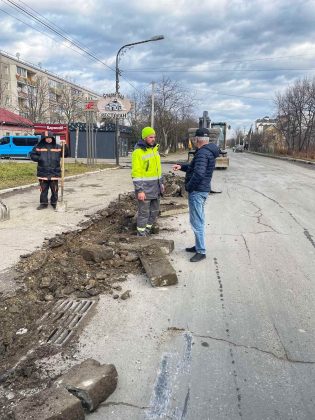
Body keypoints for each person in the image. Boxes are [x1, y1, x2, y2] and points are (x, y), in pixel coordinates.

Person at [172, 127, 220, 262]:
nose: (193, 141)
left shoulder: (202, 153)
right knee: (198, 219)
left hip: (197, 191)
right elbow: (194, 168)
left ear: (197, 139)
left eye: (194, 139)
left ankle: (201, 251)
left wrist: (189, 187)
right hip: (202, 190)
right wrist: (181, 166)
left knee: (197, 221)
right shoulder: (206, 152)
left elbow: (198, 173)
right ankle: (198, 245)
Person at [131, 126, 164, 236]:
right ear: (144, 137)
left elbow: (158, 170)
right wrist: (139, 190)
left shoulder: (155, 150)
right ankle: (141, 235)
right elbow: (136, 174)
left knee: (154, 212)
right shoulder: (138, 152)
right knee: (144, 213)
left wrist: (161, 184)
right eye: (151, 137)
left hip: (156, 188)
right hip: (144, 189)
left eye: (154, 137)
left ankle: (147, 230)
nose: (153, 139)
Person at [30, 131, 68, 210]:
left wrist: (65, 146)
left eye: (49, 138)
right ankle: (43, 203)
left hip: (54, 172)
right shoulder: (38, 147)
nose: (48, 140)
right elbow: (32, 155)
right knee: (43, 189)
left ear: (52, 138)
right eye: (46, 138)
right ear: (43, 139)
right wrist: (40, 158)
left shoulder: (57, 147)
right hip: (43, 172)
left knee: (54, 189)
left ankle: (54, 203)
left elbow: (65, 154)